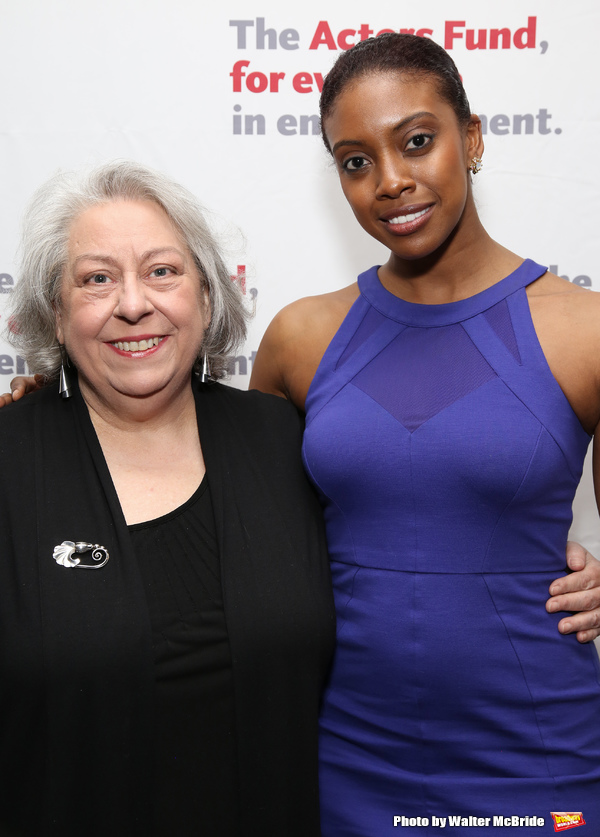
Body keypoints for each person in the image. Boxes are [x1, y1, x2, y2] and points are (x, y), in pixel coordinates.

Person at [250, 33, 600, 833]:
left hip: (538, 756)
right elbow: (218, 507)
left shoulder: (586, 329)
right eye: (355, 160)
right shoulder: (301, 336)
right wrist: (52, 411)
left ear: (471, 138)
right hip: (346, 753)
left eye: (416, 141)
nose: (391, 181)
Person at [0, 161, 335, 837]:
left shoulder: (287, 441)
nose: (133, 304)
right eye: (96, 279)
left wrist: (550, 570)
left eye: (162, 271)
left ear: (207, 299)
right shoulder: (9, 465)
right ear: (57, 316)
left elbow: (398, 561)